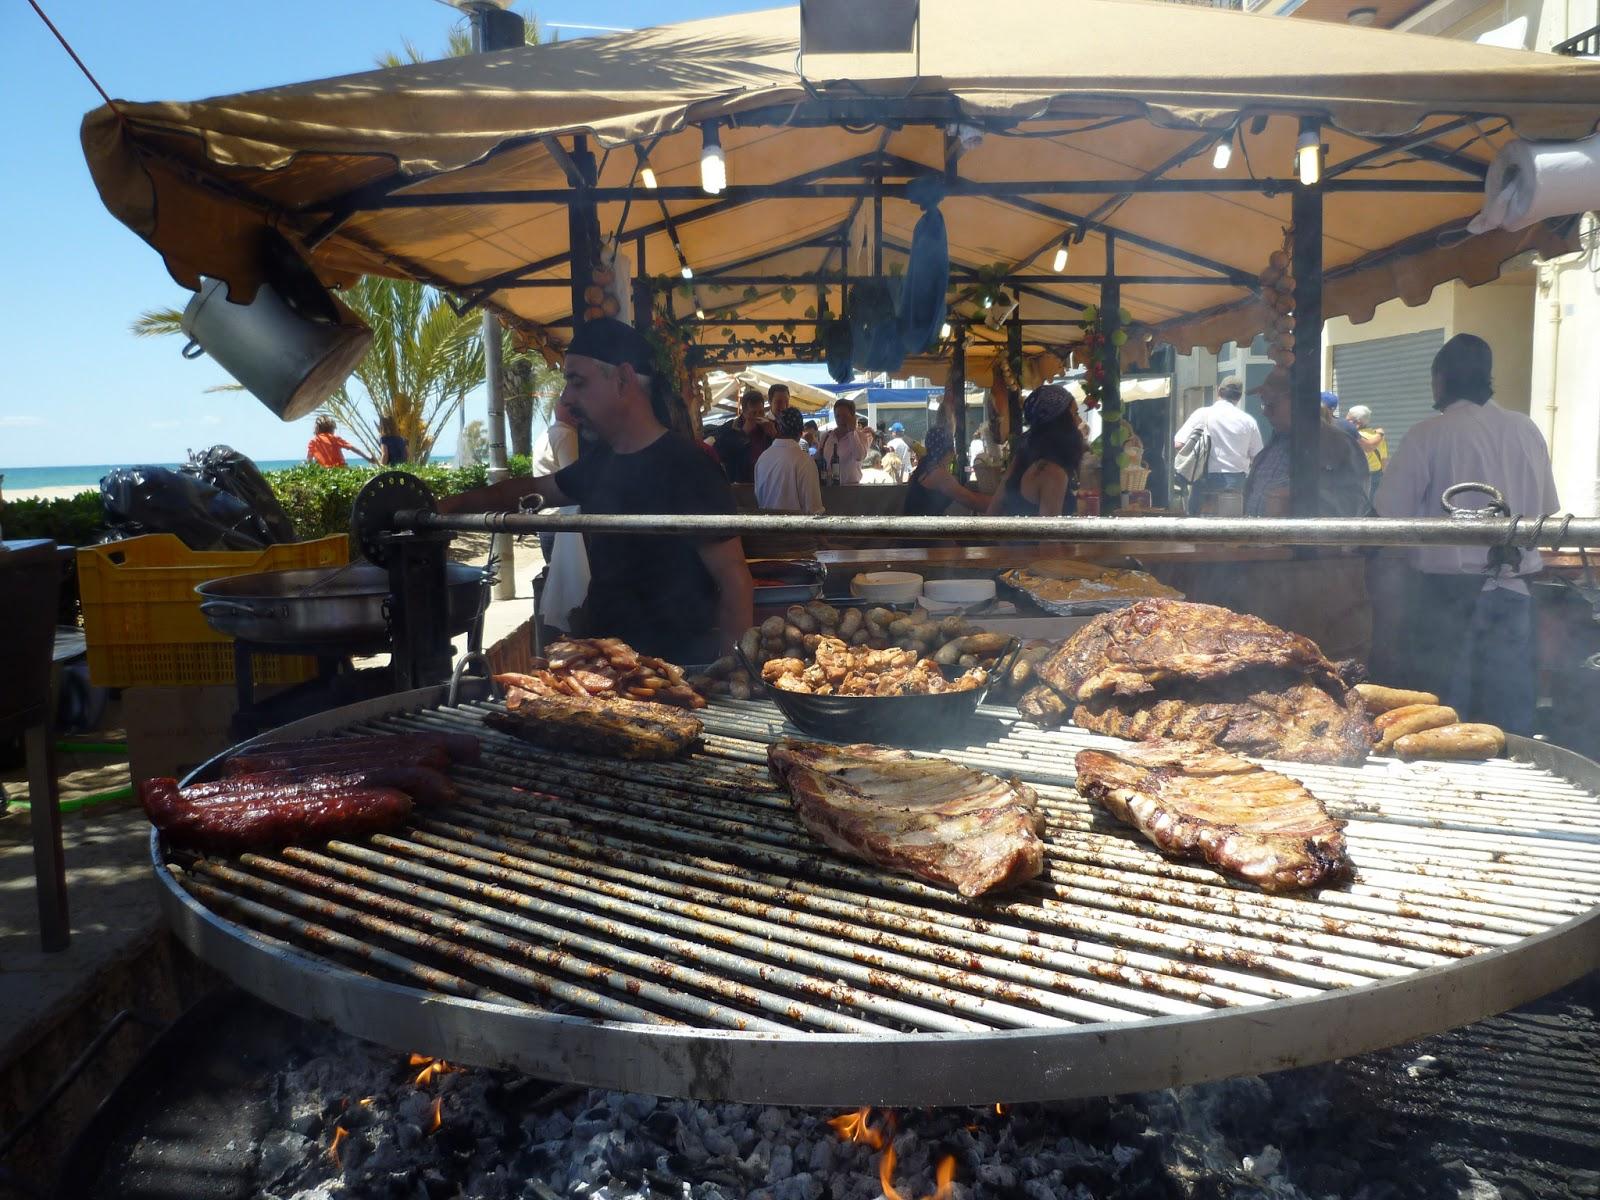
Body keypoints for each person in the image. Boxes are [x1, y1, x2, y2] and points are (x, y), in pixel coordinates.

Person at [436, 317, 753, 661]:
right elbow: (529, 490)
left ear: (622, 380)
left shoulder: (689, 467)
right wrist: (451, 505)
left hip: (677, 667)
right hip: (608, 668)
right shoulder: (601, 463)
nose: (566, 398)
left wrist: (729, 672)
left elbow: (734, 580)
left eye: (577, 382)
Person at [1375, 334, 1559, 735]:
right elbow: (1547, 507)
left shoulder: (1429, 433)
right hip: (1515, 594)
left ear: (1440, 379)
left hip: (1447, 598)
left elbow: (1387, 514)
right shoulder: (1526, 430)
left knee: (1443, 715)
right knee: (1508, 722)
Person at [1243, 371, 1369, 518]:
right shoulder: (1276, 442)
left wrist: (1298, 498)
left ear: (1298, 401)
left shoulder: (1339, 446)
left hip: (1302, 539)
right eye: (1263, 404)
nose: (1265, 413)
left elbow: (1352, 507)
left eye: (1270, 403)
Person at [988, 384, 1085, 517]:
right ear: (1061, 423)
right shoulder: (1052, 473)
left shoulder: (1023, 458)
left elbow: (993, 511)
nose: (1079, 421)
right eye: (1075, 413)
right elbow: (1048, 536)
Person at [1172, 375, 1263, 514]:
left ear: (1219, 391)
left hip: (1205, 481)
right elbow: (1258, 457)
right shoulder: (1248, 421)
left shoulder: (1203, 414)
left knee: (1198, 530)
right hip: (1236, 482)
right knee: (1232, 530)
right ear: (1239, 398)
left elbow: (1179, 444)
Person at [530, 396, 582, 563]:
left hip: (546, 521)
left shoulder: (546, 435)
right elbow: (574, 482)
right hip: (562, 525)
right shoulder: (566, 435)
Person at [905, 426, 992, 516]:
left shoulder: (924, 467)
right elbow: (972, 501)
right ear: (949, 451)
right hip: (921, 528)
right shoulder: (938, 474)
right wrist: (1002, 502)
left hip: (916, 526)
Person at [754, 408, 824, 514]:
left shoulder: (763, 458)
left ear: (778, 429)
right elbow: (813, 509)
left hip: (764, 527)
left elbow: (758, 498)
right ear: (801, 433)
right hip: (795, 528)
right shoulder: (805, 461)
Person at [711, 390, 773, 485]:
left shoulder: (770, 426)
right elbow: (719, 454)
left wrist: (774, 435)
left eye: (761, 412)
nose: (758, 416)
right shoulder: (729, 428)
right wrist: (743, 433)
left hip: (766, 483)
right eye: (753, 413)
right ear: (744, 412)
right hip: (741, 485)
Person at [817, 399, 873, 484]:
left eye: (845, 416)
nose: (841, 420)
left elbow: (859, 456)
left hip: (851, 490)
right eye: (837, 416)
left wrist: (851, 432)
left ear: (853, 416)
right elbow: (817, 459)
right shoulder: (826, 436)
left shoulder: (861, 436)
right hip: (828, 489)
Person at [1347, 404, 1388, 499]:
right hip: (1377, 475)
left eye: (1348, 420)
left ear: (1357, 422)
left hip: (1359, 475)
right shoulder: (1377, 435)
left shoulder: (1354, 437)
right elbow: (1384, 459)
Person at [306, 415, 373, 467]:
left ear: (317, 428)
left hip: (323, 472)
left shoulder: (313, 441)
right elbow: (353, 448)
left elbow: (309, 460)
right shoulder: (335, 438)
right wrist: (368, 458)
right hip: (340, 469)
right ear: (332, 428)